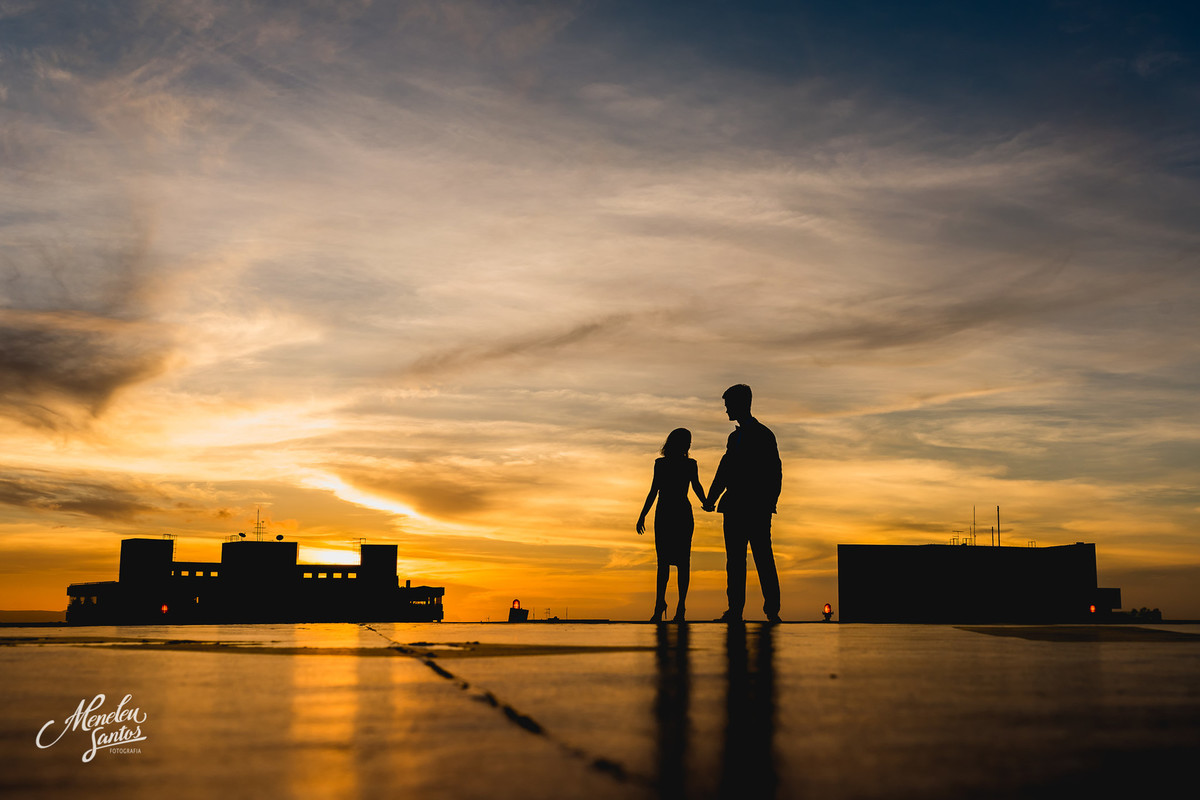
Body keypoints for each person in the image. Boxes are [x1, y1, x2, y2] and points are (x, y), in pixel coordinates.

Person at [704, 384, 783, 623]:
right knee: (736, 561)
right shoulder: (735, 437)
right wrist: (711, 498)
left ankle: (771, 610)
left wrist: (769, 503)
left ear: (740, 405)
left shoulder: (763, 435)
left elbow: (774, 471)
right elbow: (725, 469)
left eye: (728, 405)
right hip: (735, 507)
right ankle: (736, 610)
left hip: (755, 508)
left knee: (762, 558)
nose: (726, 409)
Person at [637, 428, 707, 622]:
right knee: (664, 562)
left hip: (677, 514)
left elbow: (696, 485)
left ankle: (680, 606)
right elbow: (653, 490)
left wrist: (706, 502)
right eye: (687, 441)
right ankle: (661, 603)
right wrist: (643, 514)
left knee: (681, 562)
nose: (689, 445)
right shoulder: (661, 464)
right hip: (667, 514)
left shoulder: (689, 464)